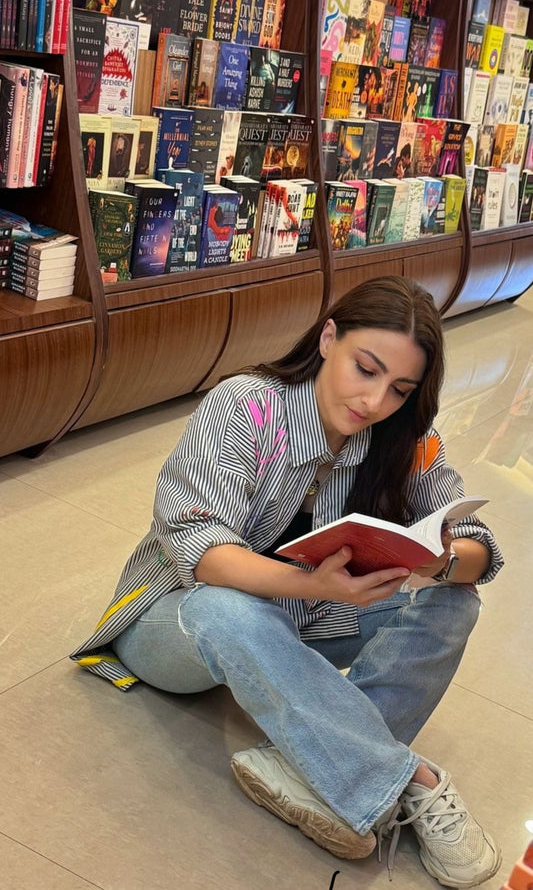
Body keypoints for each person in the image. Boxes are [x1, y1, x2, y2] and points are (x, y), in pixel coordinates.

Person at [71, 276, 503, 887]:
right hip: (173, 623)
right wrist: (317, 588)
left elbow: (479, 545)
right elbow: (203, 556)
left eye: (399, 388)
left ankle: (303, 770)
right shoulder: (244, 405)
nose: (375, 400)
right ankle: (408, 780)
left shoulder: (402, 439)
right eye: (366, 368)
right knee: (226, 606)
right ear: (329, 337)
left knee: (452, 604)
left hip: (304, 625)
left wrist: (438, 561)